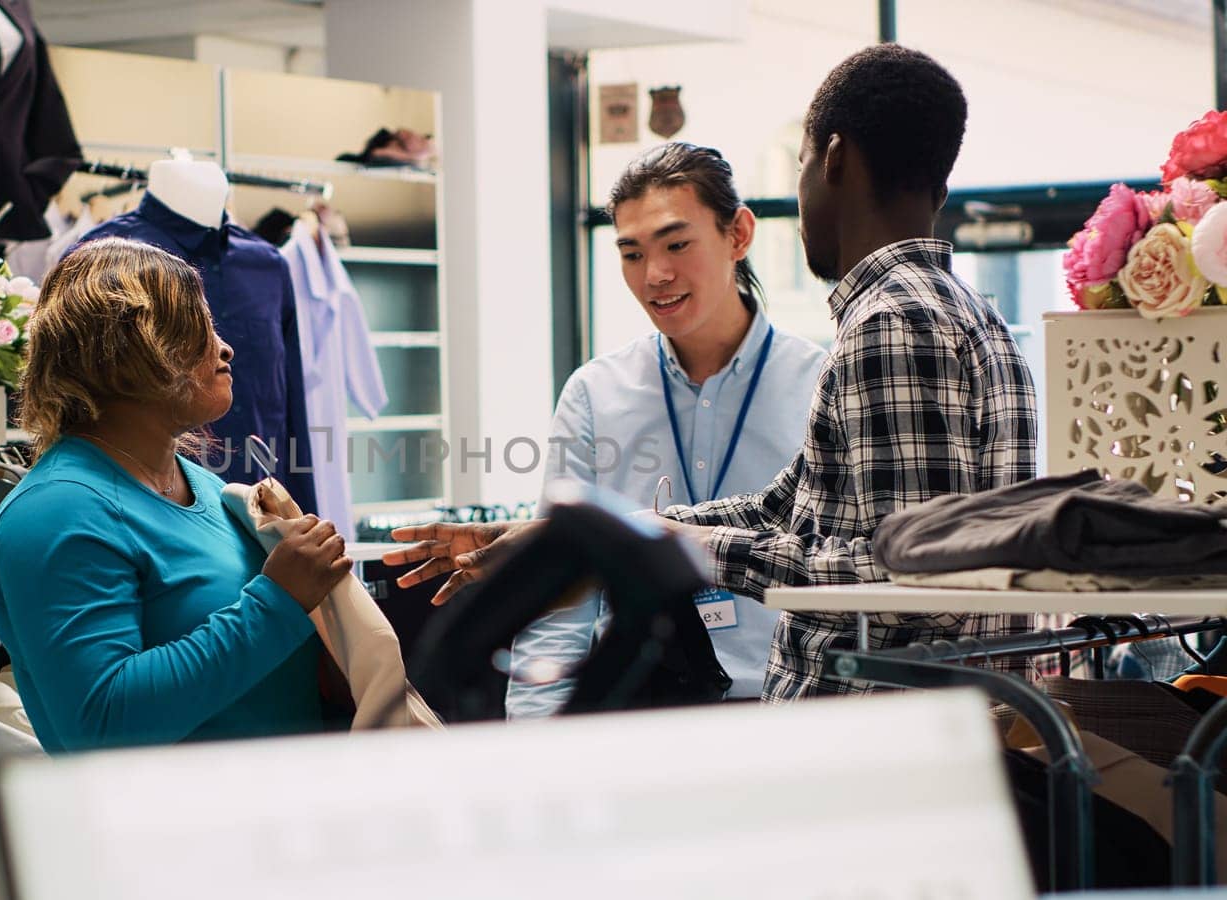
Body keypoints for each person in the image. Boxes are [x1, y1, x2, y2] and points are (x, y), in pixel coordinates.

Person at [386, 44, 1037, 702]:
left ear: (833, 160)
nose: (656, 274)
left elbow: (910, 584)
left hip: (878, 739)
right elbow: (785, 510)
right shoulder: (971, 316)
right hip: (916, 732)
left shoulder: (890, 325)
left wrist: (675, 546)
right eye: (633, 252)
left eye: (804, 161)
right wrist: (574, 541)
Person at [0, 237, 352, 752]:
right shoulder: (55, 512)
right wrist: (280, 600)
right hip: (160, 828)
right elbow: (101, 724)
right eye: (197, 326)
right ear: (129, 348)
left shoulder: (206, 486)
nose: (224, 347)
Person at [506, 142, 826, 716]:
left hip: (785, 711)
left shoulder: (821, 385)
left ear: (739, 235)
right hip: (635, 717)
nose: (655, 275)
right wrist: (535, 738)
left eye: (677, 244)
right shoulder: (594, 394)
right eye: (631, 254)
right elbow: (561, 601)